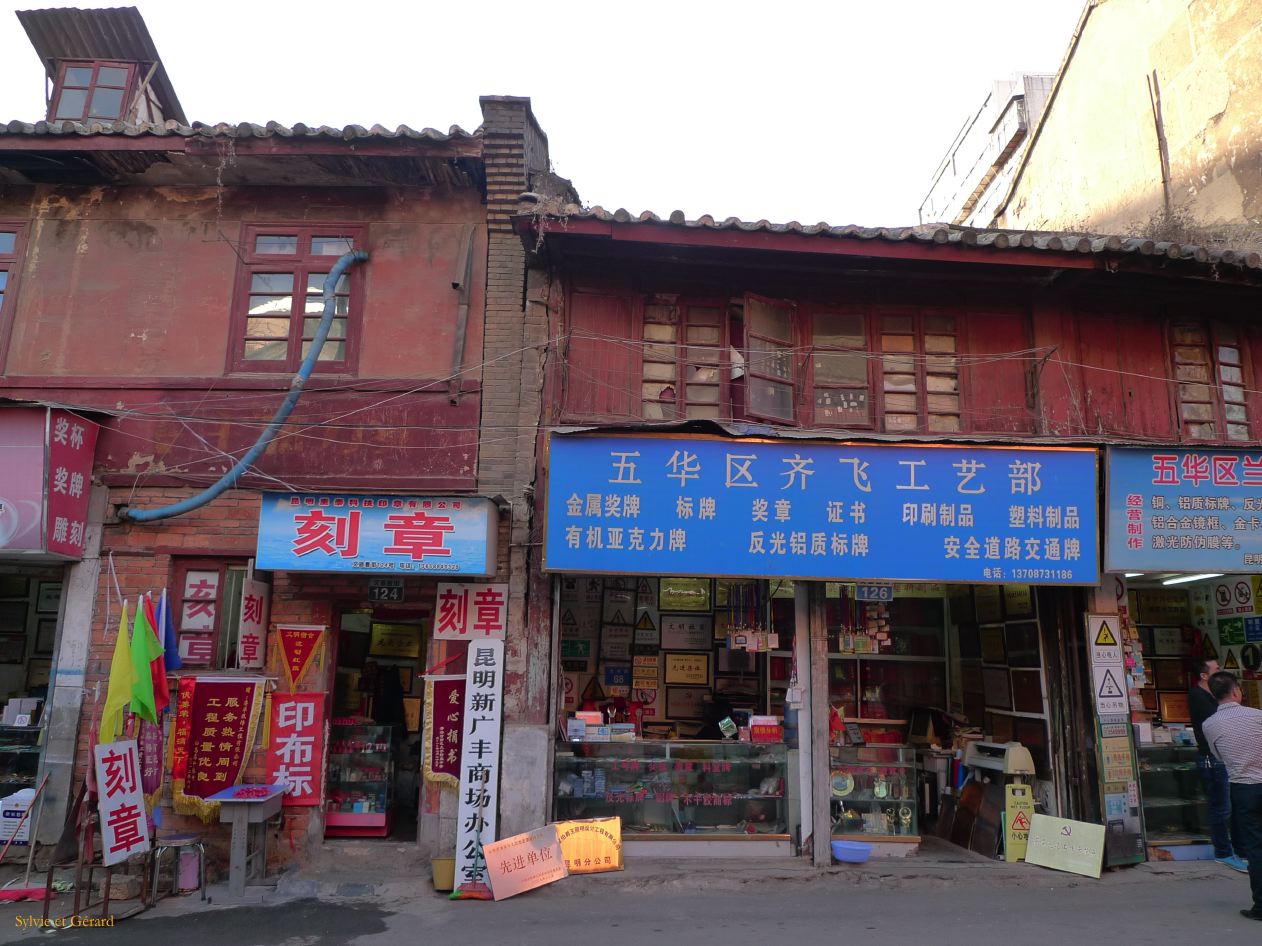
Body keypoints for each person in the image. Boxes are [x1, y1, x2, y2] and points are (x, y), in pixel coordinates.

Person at [1202, 671, 1262, 922]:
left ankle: (1260, 905)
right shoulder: (1258, 716)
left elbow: (1218, 756)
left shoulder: (1209, 725)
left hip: (1243, 789)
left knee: (1255, 847)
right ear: (1236, 691)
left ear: (1213, 694)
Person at [1189, 658, 1246, 871]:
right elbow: (1216, 724)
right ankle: (1223, 852)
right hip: (1212, 758)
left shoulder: (1214, 697)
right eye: (1216, 669)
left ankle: (1241, 850)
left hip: (1227, 758)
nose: (1220, 671)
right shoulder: (1198, 696)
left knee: (1233, 805)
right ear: (1204, 675)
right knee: (1221, 808)